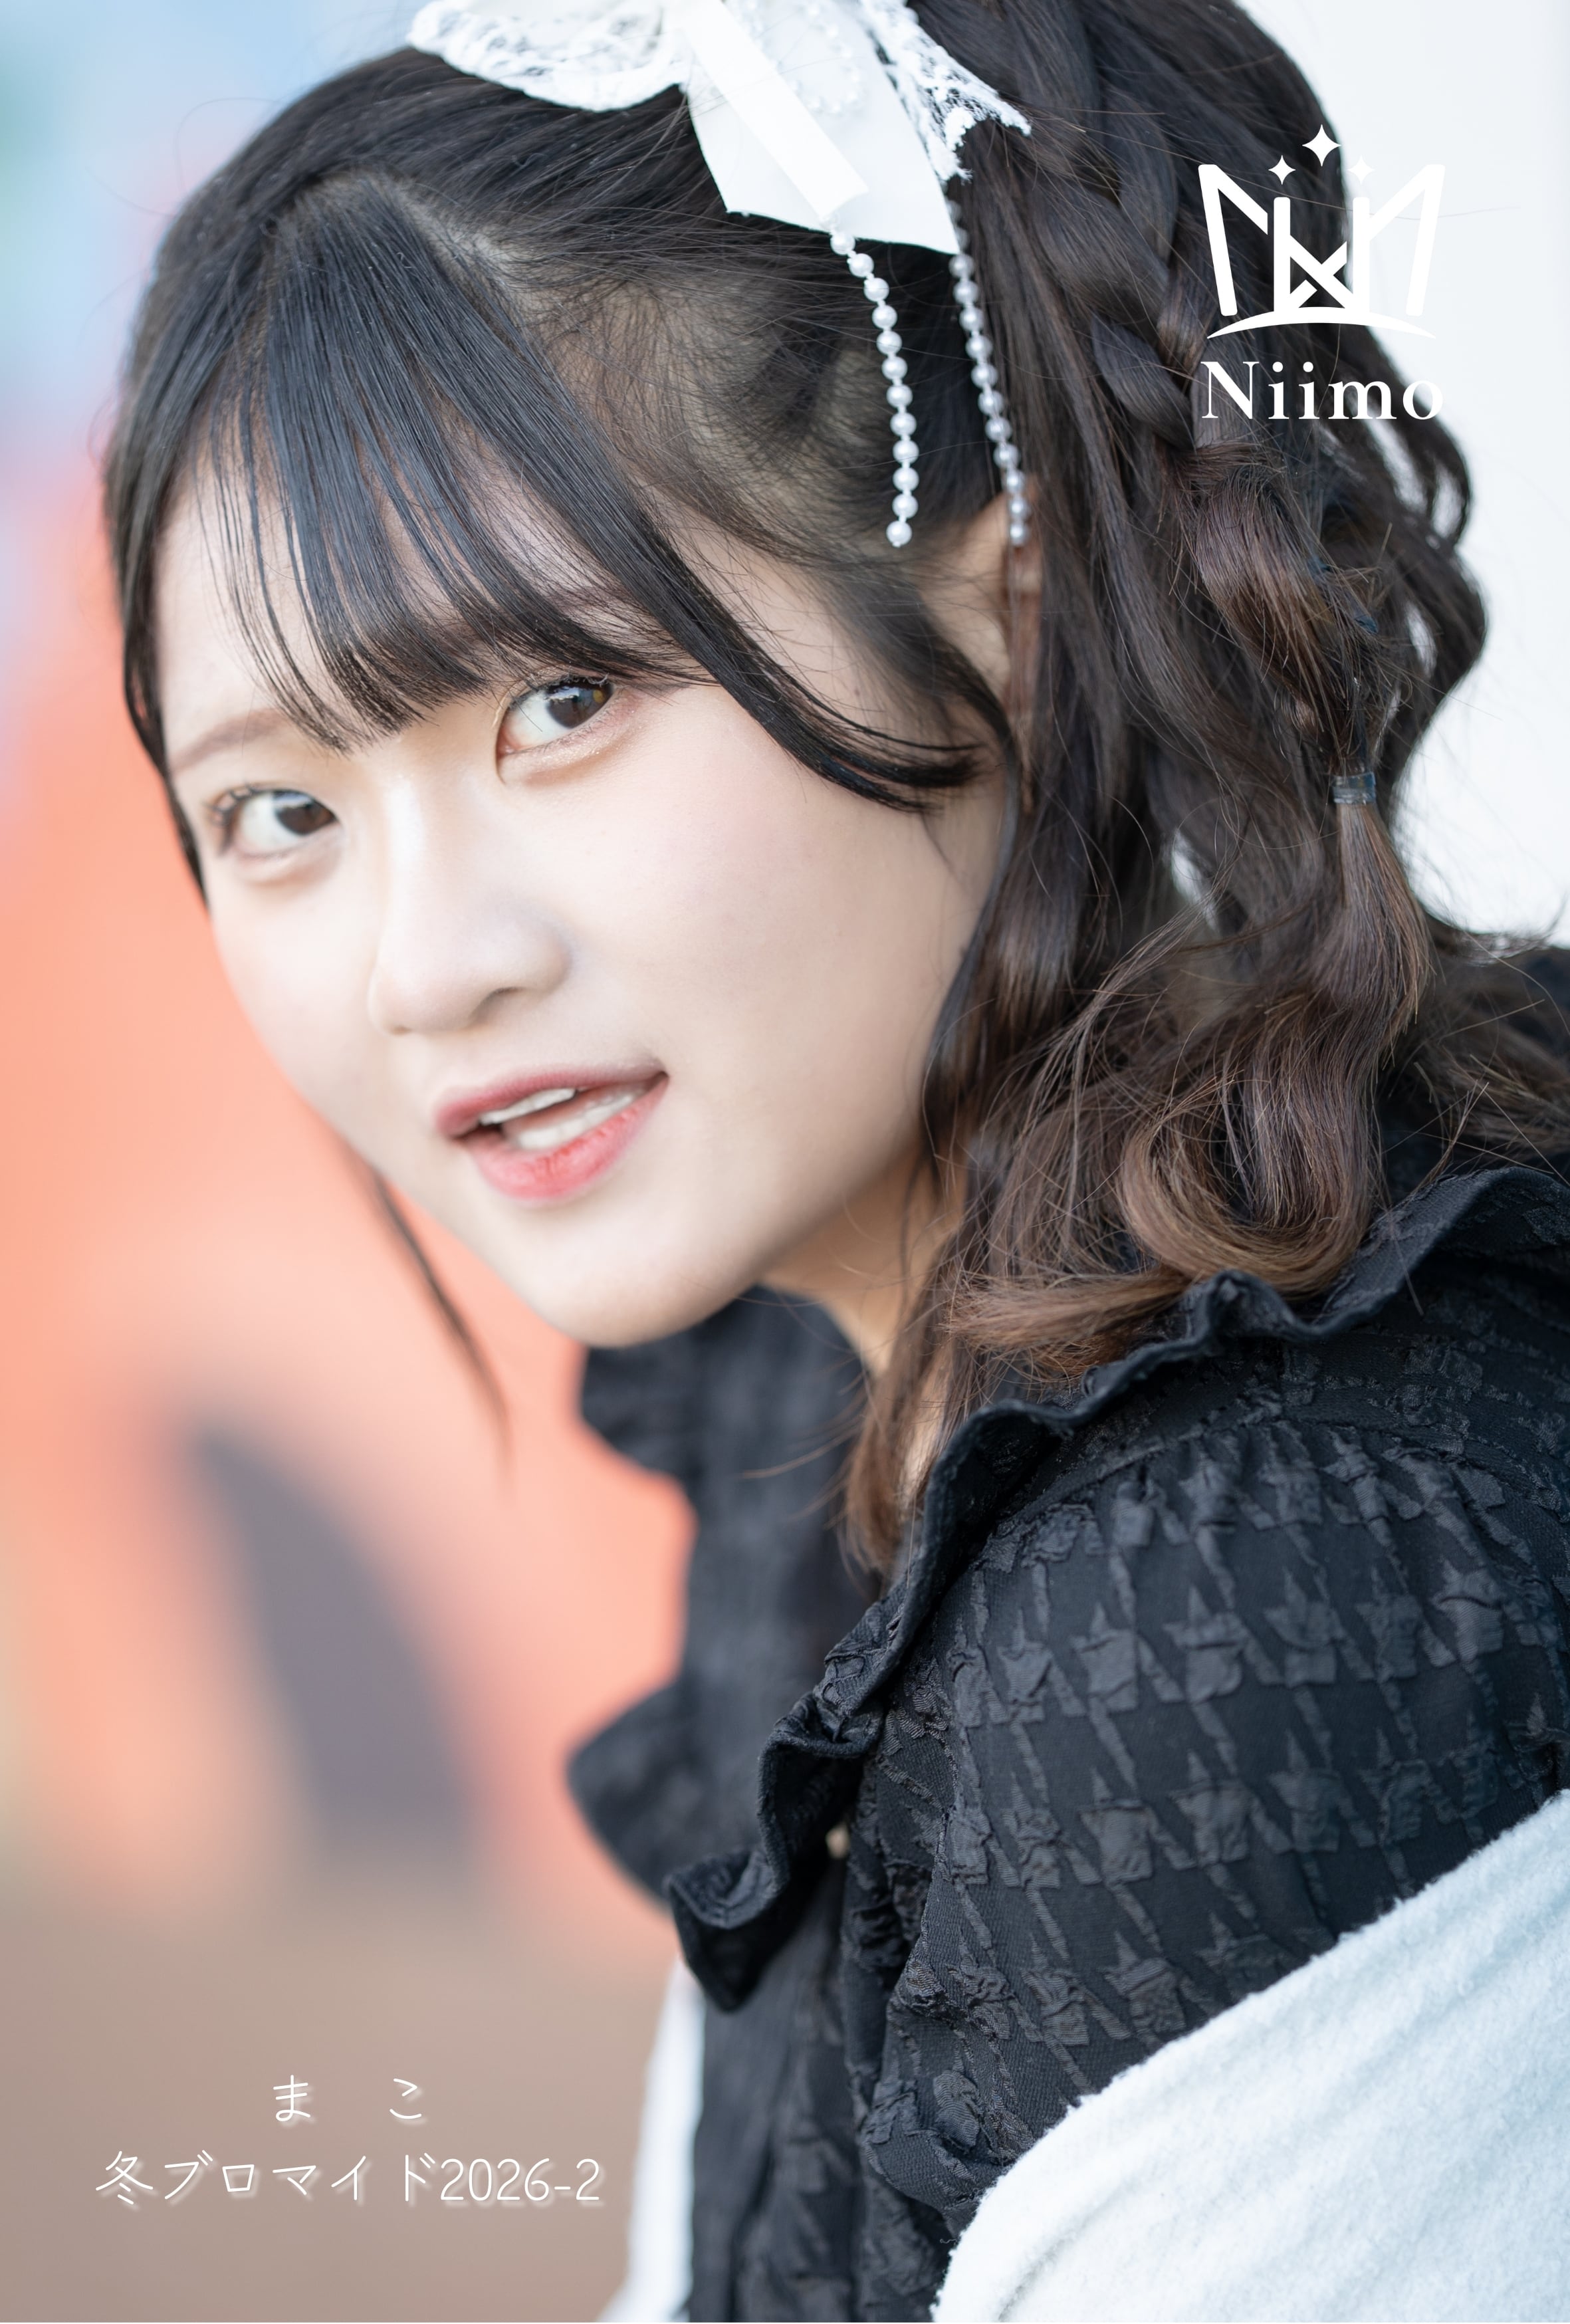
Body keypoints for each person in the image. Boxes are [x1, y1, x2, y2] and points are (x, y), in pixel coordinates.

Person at [104, 1, 1570, 2316]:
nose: (425, 966)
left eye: (560, 702)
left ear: (1014, 615)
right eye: (281, 811)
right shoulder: (821, 1395)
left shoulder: (1260, 1555)